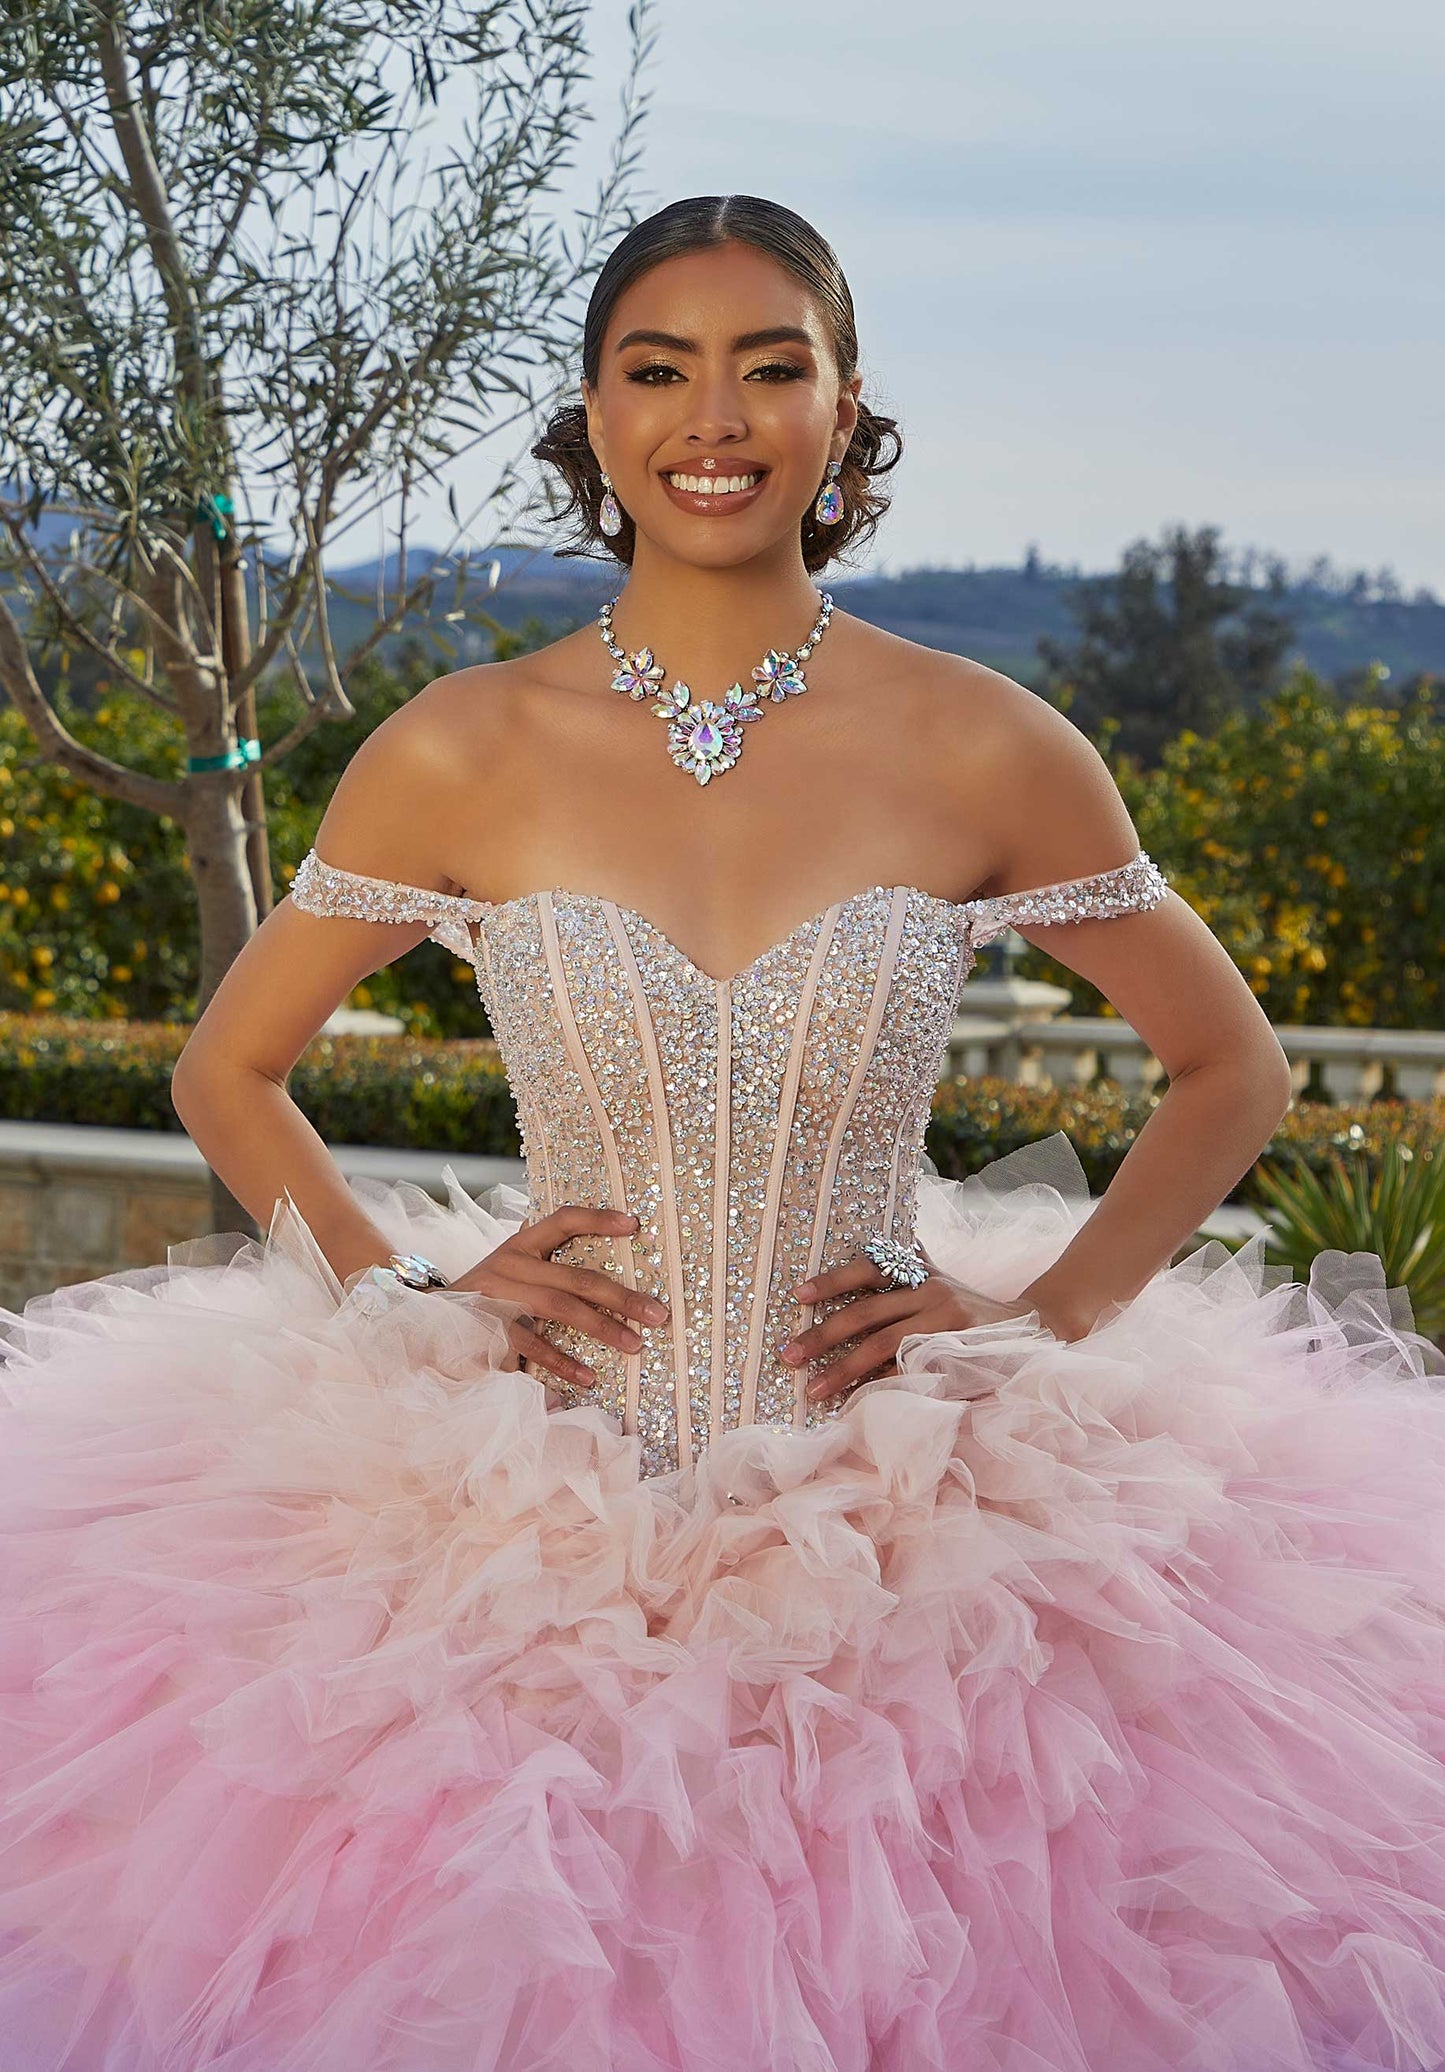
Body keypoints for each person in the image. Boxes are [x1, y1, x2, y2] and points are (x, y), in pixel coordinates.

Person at [1, 194, 1442, 2072]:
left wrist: (1046, 1316)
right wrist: (403, 1287)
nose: (715, 415)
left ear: (845, 413)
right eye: (656, 369)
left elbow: (1228, 1071)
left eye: (773, 367)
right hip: (513, 1523)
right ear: (593, 421)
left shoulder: (984, 742)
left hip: (916, 1535)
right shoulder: (462, 743)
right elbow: (229, 1074)